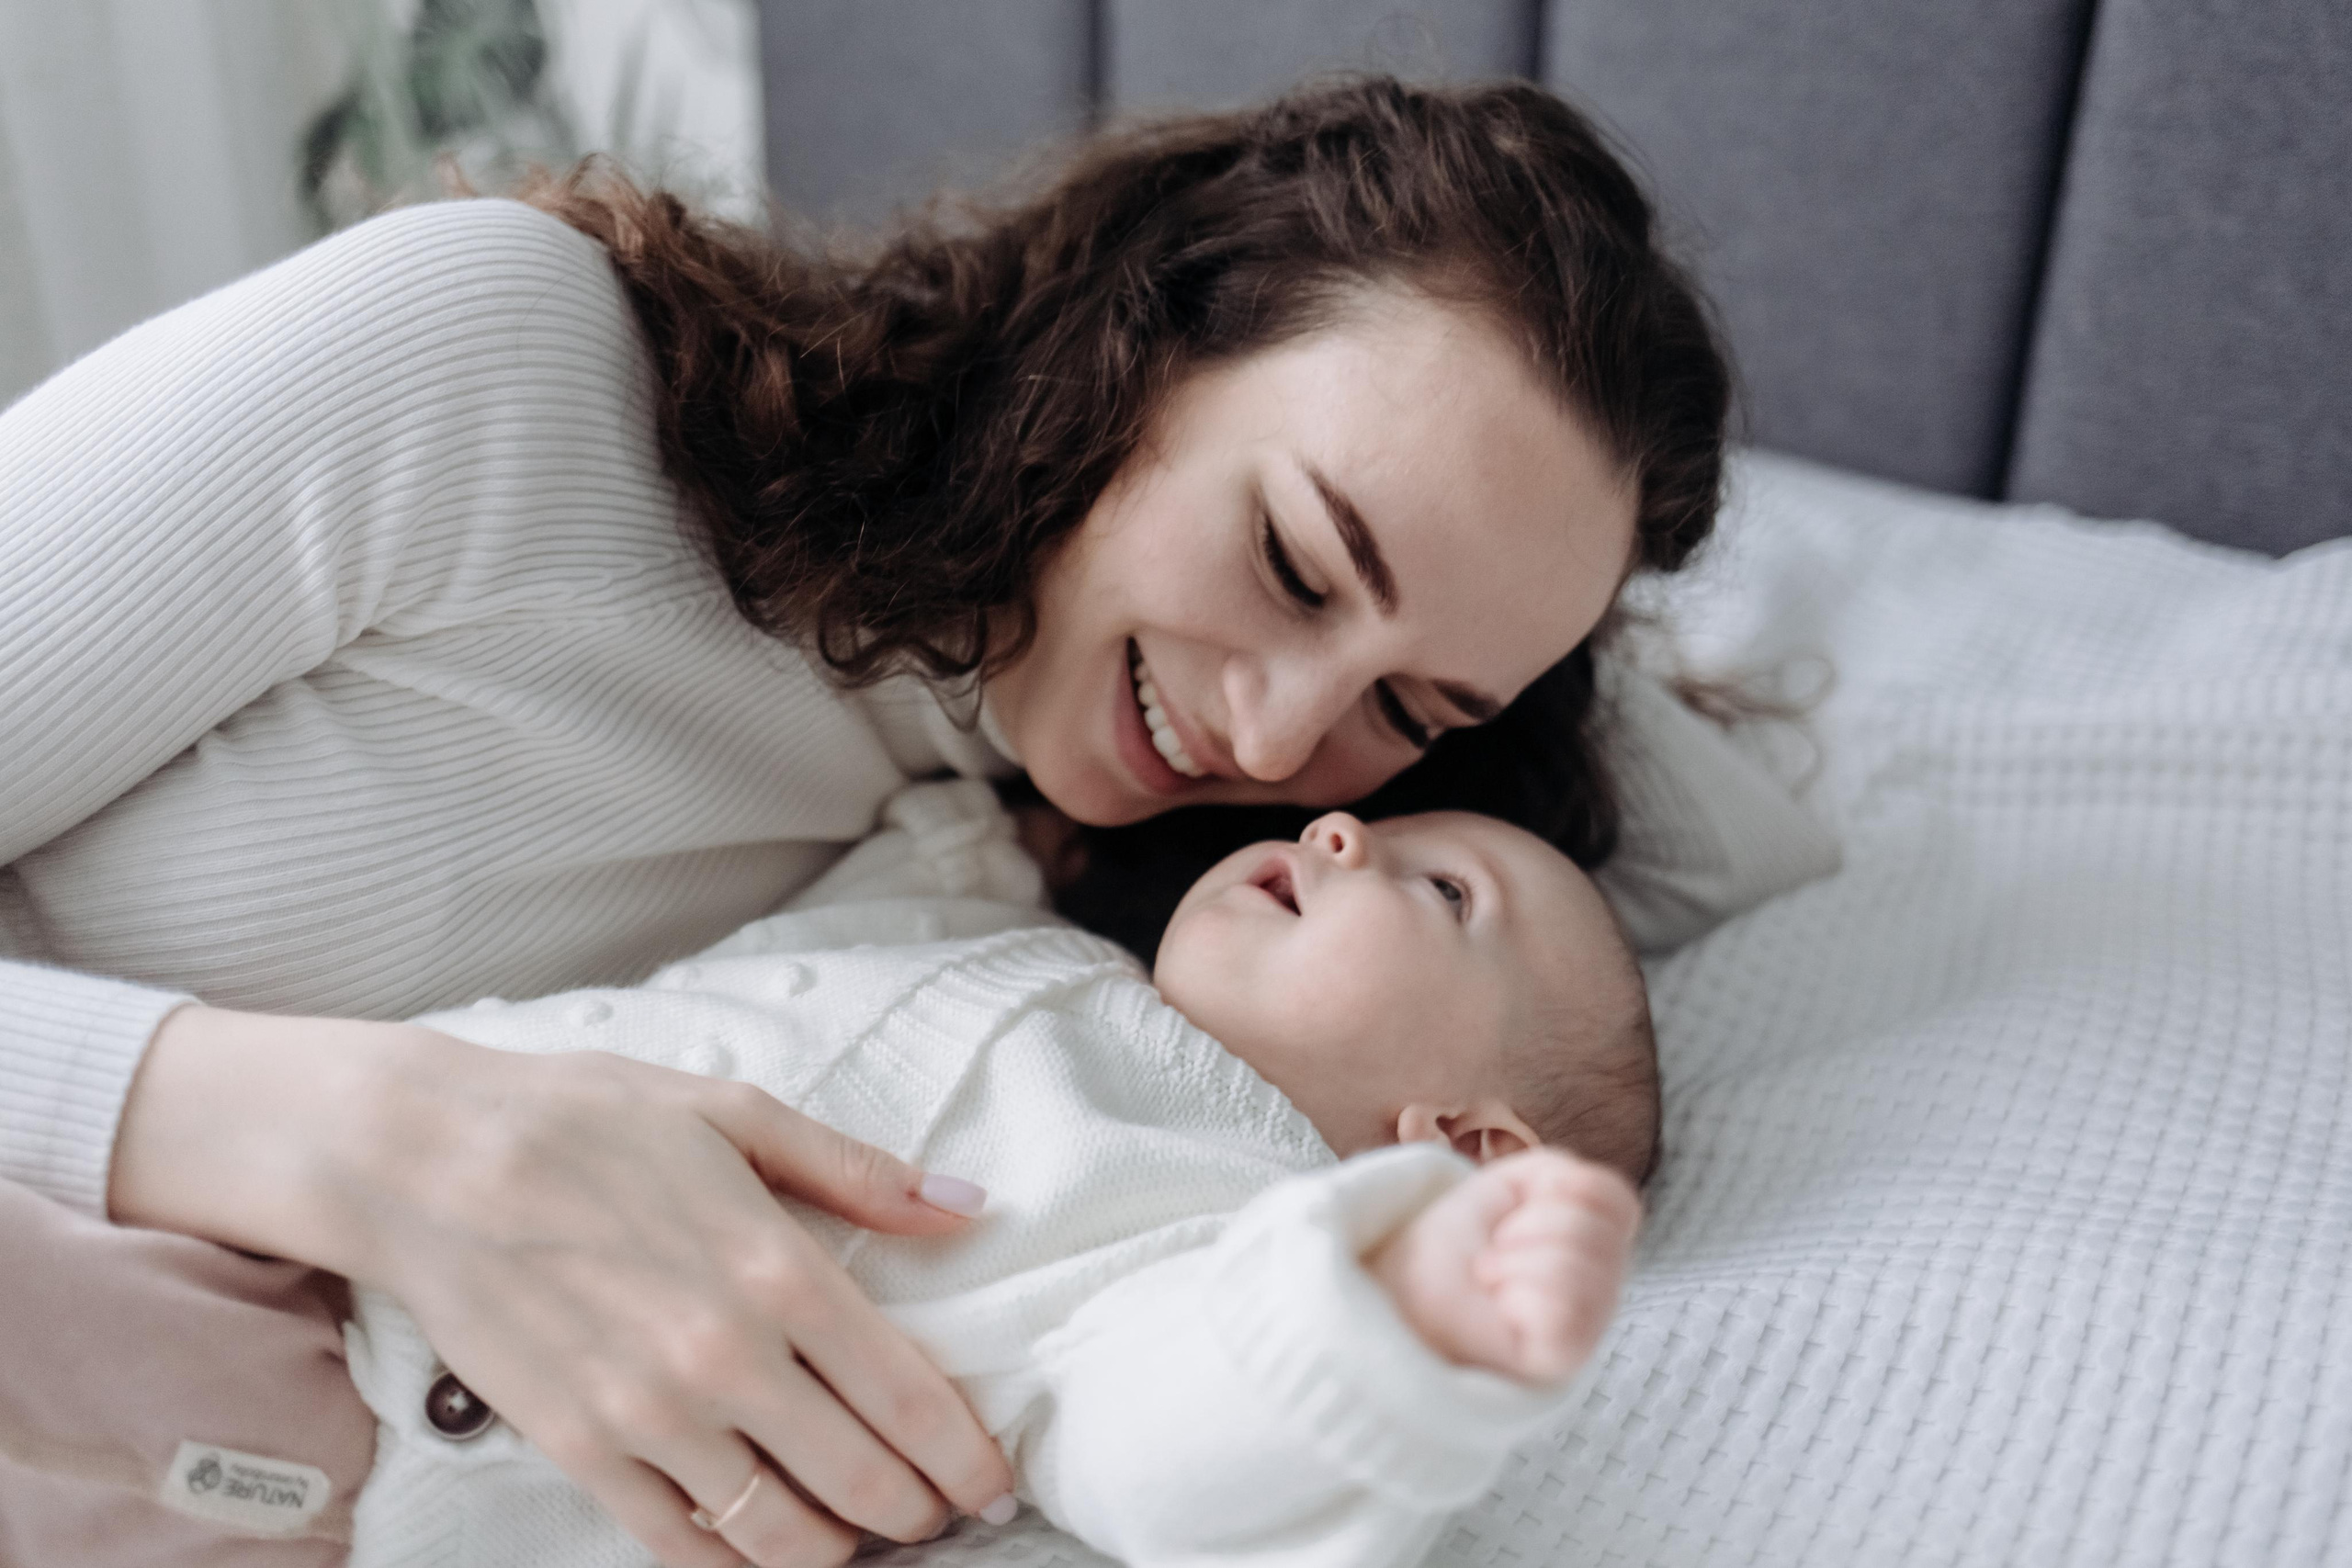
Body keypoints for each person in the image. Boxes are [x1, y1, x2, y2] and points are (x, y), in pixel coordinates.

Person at [0, 76, 1725, 1568]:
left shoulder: (1046, 946)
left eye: (1408, 715)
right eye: (1291, 561)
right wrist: (361, 1135)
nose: (1277, 738)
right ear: (1142, 336)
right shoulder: (496, 370)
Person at [343, 777, 1655, 1568]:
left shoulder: (1207, 1226)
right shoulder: (1029, 935)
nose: (1338, 831)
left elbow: (1166, 1443)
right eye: (1374, 821)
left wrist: (1378, 1313)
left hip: (390, 1451)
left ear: (1465, 1148)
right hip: (320, 1183)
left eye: (1445, 894)